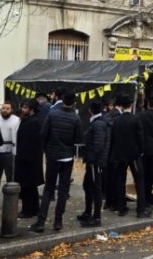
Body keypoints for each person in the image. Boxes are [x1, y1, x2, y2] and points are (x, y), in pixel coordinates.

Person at [31, 91, 83, 233]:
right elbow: (78, 138)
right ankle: (58, 221)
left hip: (53, 155)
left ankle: (41, 221)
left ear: (62, 100)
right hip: (67, 156)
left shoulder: (52, 114)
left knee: (48, 188)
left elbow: (43, 133)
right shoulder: (75, 117)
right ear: (74, 103)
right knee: (63, 190)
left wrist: (47, 148)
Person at [108, 93, 146, 218]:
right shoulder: (136, 119)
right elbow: (140, 138)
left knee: (120, 180)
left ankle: (121, 207)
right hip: (134, 154)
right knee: (139, 180)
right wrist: (140, 151)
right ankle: (141, 209)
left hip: (120, 154)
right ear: (131, 105)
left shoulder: (116, 120)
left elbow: (113, 138)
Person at [79, 99, 111, 227]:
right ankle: (88, 212)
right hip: (93, 160)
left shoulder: (98, 124)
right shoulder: (98, 122)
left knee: (95, 188)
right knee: (87, 185)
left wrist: (91, 157)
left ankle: (96, 217)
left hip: (95, 162)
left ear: (90, 110)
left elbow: (98, 145)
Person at [14, 99, 44, 218]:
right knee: (29, 187)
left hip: (28, 161)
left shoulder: (33, 122)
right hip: (26, 159)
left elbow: (31, 143)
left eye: (25, 108)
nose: (22, 110)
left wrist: (25, 158)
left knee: (28, 187)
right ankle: (33, 209)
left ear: (32, 110)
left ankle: (28, 210)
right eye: (22, 107)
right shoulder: (28, 120)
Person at [0, 97, 19, 203]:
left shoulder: (16, 120)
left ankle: (10, 199)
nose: (5, 110)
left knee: (10, 177)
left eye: (7, 109)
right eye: (3, 108)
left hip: (10, 152)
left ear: (11, 110)